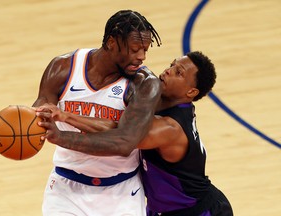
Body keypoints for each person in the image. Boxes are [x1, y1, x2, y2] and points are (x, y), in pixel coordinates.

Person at [37, 51, 233, 216]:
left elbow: (123, 133)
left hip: (198, 211)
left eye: (178, 73)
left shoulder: (171, 127)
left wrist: (66, 117)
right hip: (163, 209)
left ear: (191, 92)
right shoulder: (163, 102)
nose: (168, 71)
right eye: (172, 65)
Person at [32, 10, 162, 216]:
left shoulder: (145, 84)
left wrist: (60, 136)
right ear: (112, 42)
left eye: (145, 50)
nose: (141, 57)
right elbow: (37, 117)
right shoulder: (63, 68)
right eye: (134, 49)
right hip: (66, 190)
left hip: (121, 193)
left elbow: (124, 143)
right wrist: (6, 120)